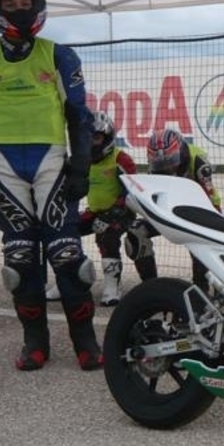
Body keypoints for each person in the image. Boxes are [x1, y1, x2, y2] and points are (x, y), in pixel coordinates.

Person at [0, 0, 103, 371]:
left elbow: (79, 114)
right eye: (11, 3)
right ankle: (34, 342)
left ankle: (86, 341)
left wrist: (81, 167)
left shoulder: (60, 54)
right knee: (19, 257)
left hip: (51, 161)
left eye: (26, 1)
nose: (21, 8)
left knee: (67, 253)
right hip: (2, 164)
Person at [46, 111, 158, 305]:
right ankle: (67, 281)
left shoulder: (121, 159)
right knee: (62, 231)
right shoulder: (81, 161)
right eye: (88, 138)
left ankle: (112, 286)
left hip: (122, 212)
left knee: (106, 236)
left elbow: (133, 192)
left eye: (96, 138)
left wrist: (113, 213)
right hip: (94, 211)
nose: (92, 143)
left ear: (108, 138)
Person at [146, 127, 221, 289]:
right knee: (136, 232)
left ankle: (202, 287)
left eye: (171, 162)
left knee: (201, 241)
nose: (167, 168)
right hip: (167, 210)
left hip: (199, 208)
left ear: (181, 151)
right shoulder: (153, 166)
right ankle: (149, 287)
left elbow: (212, 199)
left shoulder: (199, 161)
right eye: (160, 165)